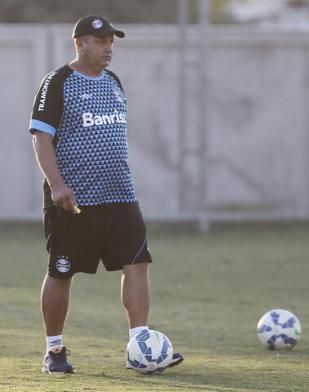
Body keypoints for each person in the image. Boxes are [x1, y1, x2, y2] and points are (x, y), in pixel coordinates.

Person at [29, 15, 183, 374]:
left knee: (138, 263)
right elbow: (40, 137)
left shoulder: (114, 82)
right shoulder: (57, 82)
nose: (108, 48)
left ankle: (140, 346)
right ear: (80, 43)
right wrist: (57, 185)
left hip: (120, 194)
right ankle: (55, 351)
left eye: (111, 42)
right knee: (62, 271)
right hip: (75, 199)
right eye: (101, 42)